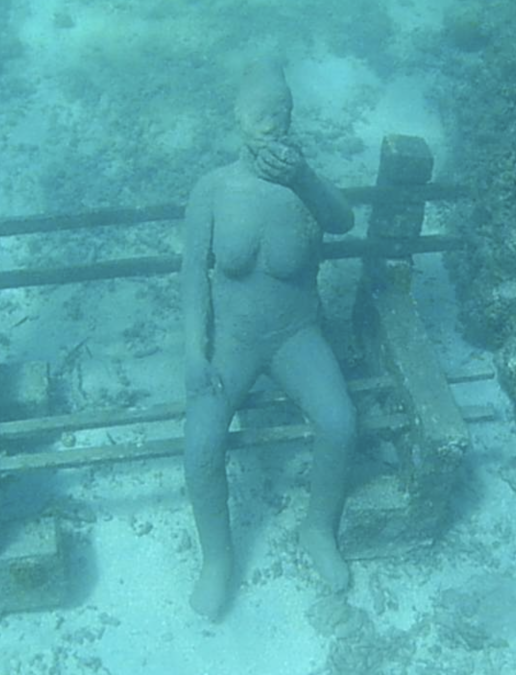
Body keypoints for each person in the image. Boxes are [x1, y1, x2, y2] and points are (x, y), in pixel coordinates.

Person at [180, 60, 357, 621]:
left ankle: (319, 530)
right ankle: (217, 561)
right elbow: (190, 277)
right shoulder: (212, 190)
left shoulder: (304, 186)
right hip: (231, 340)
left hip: (294, 335)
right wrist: (192, 351)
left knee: (340, 424)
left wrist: (302, 177)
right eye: (260, 113)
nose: (272, 123)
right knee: (201, 444)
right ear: (236, 117)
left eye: (281, 112)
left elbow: (343, 220)